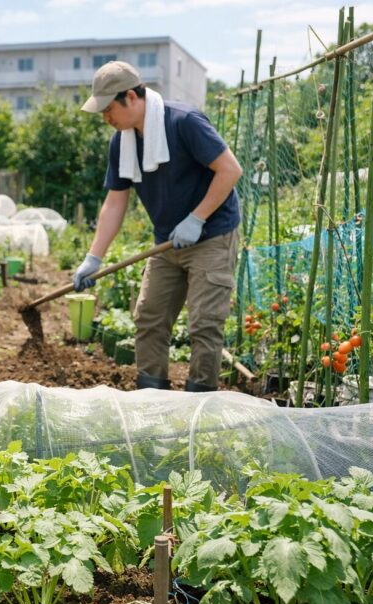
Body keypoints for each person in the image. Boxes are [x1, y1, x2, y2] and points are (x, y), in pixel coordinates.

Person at [73, 61, 243, 392]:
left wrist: (197, 218)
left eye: (109, 109)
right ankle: (153, 401)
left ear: (132, 98)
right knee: (149, 318)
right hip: (167, 242)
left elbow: (230, 170)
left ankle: (201, 407)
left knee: (204, 325)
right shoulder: (121, 143)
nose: (106, 118)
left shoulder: (183, 122)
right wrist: (94, 257)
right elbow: (115, 201)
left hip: (211, 235)